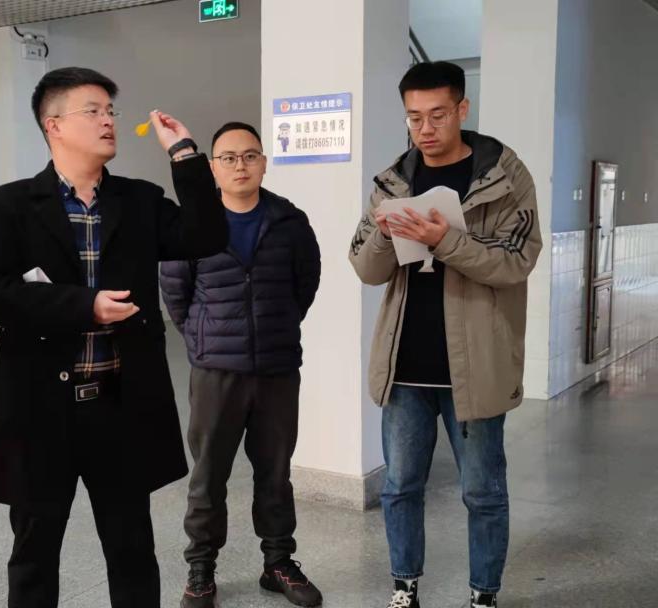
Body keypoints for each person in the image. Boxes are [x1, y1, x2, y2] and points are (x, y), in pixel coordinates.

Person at [0, 67, 228, 608]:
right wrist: (84, 306)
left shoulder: (138, 200)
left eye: (110, 110)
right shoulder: (10, 205)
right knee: (35, 551)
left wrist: (184, 153)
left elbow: (206, 235)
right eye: (93, 111)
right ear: (53, 125)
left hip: (120, 404)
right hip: (41, 406)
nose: (108, 120)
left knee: (132, 546)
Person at [348, 61, 541, 608]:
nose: (425, 128)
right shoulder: (392, 181)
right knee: (399, 487)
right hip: (405, 367)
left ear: (462, 109)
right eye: (414, 118)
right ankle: (404, 585)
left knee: (483, 492)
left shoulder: (505, 178)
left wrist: (444, 241)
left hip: (476, 367)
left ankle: (483, 594)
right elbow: (365, 268)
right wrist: (385, 234)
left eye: (437, 115)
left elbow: (516, 261)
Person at [160, 121, 322, 608]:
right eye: (228, 158)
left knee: (275, 472)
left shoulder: (289, 221)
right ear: (213, 168)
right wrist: (203, 339)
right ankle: (201, 569)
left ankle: (278, 563)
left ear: (264, 163)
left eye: (250, 156)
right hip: (216, 372)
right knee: (208, 476)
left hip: (276, 369)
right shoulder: (192, 225)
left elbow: (305, 284)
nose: (240, 165)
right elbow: (175, 294)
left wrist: (275, 327)